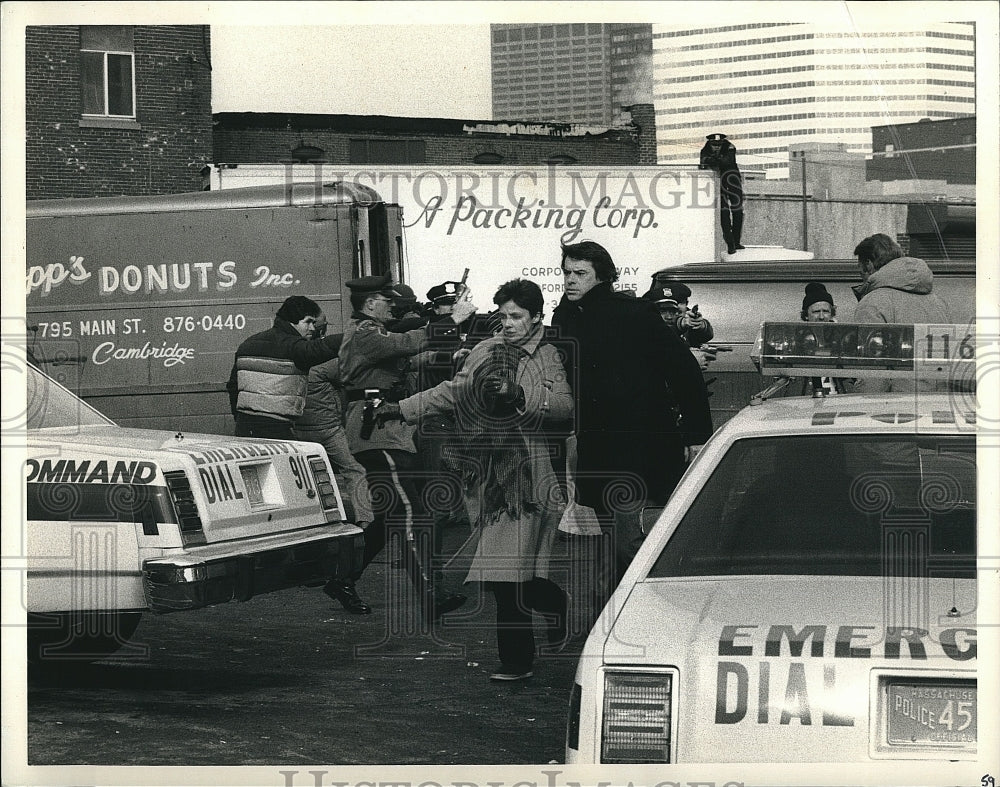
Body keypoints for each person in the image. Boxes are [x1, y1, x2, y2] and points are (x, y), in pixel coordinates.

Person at [384, 279, 573, 682]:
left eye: (517, 316)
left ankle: (517, 661)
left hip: (526, 478)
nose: (507, 323)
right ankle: (556, 604)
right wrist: (399, 408)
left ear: (537, 317)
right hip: (484, 475)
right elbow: (453, 392)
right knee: (508, 574)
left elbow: (563, 406)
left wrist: (520, 395)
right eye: (502, 315)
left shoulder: (547, 355)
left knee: (505, 577)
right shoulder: (485, 349)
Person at [552, 241, 713, 600]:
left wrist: (696, 433)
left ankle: (667, 603)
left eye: (580, 274)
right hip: (596, 445)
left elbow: (682, 369)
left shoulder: (632, 313)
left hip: (637, 444)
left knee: (629, 539)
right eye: (566, 273)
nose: (570, 281)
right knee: (608, 541)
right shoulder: (565, 317)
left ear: (602, 277)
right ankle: (611, 619)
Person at [332, 274, 477, 621]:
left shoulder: (370, 334)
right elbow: (406, 345)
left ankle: (341, 580)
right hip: (375, 430)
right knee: (413, 511)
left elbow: (404, 361)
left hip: (386, 428)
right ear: (370, 304)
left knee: (387, 519)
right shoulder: (366, 333)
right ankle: (431, 594)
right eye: (386, 300)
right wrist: (452, 320)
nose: (393, 306)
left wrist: (454, 351)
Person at [294, 314, 375, 531]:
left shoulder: (291, 358)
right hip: (328, 430)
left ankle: (308, 521)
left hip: (299, 430)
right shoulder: (325, 363)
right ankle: (365, 519)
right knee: (353, 470)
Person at [227, 295, 342, 439]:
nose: (312, 328)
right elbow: (320, 348)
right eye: (308, 322)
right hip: (277, 428)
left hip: (244, 427)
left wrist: (239, 417)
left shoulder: (247, 344)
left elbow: (232, 386)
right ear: (292, 321)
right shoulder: (294, 347)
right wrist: (353, 337)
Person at [852, 234, 952, 392]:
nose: (862, 277)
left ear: (868, 264)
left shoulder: (872, 303)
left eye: (860, 271)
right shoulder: (938, 302)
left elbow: (871, 373)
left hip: (896, 409)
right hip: (938, 405)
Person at [641, 280, 717, 370]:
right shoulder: (646, 326)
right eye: (663, 310)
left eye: (681, 302)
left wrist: (700, 325)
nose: (669, 316)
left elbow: (705, 335)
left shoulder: (687, 319)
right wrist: (689, 361)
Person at [699, 132, 745, 255]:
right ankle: (731, 244)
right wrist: (716, 160)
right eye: (714, 145)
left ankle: (736, 241)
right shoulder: (705, 149)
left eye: (719, 145)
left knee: (737, 211)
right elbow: (703, 162)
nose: (717, 147)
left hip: (732, 180)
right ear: (710, 143)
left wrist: (713, 159)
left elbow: (726, 162)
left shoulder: (730, 147)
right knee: (723, 213)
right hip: (718, 183)